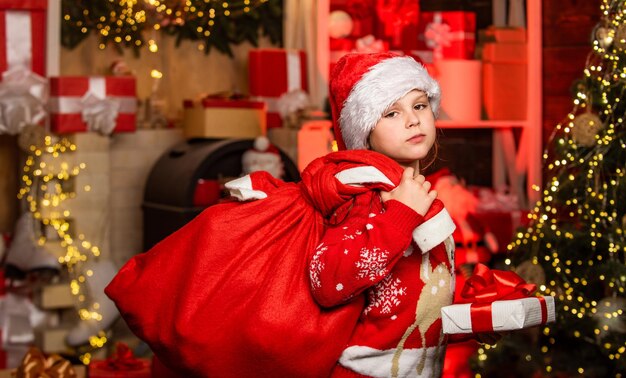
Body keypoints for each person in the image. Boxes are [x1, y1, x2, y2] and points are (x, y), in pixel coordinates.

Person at [309, 52, 457, 378]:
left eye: (419, 105)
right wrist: (400, 215)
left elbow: (414, 307)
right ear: (365, 134)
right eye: (391, 113)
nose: (413, 120)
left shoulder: (421, 196)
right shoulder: (362, 197)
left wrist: (477, 317)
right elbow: (326, 280)